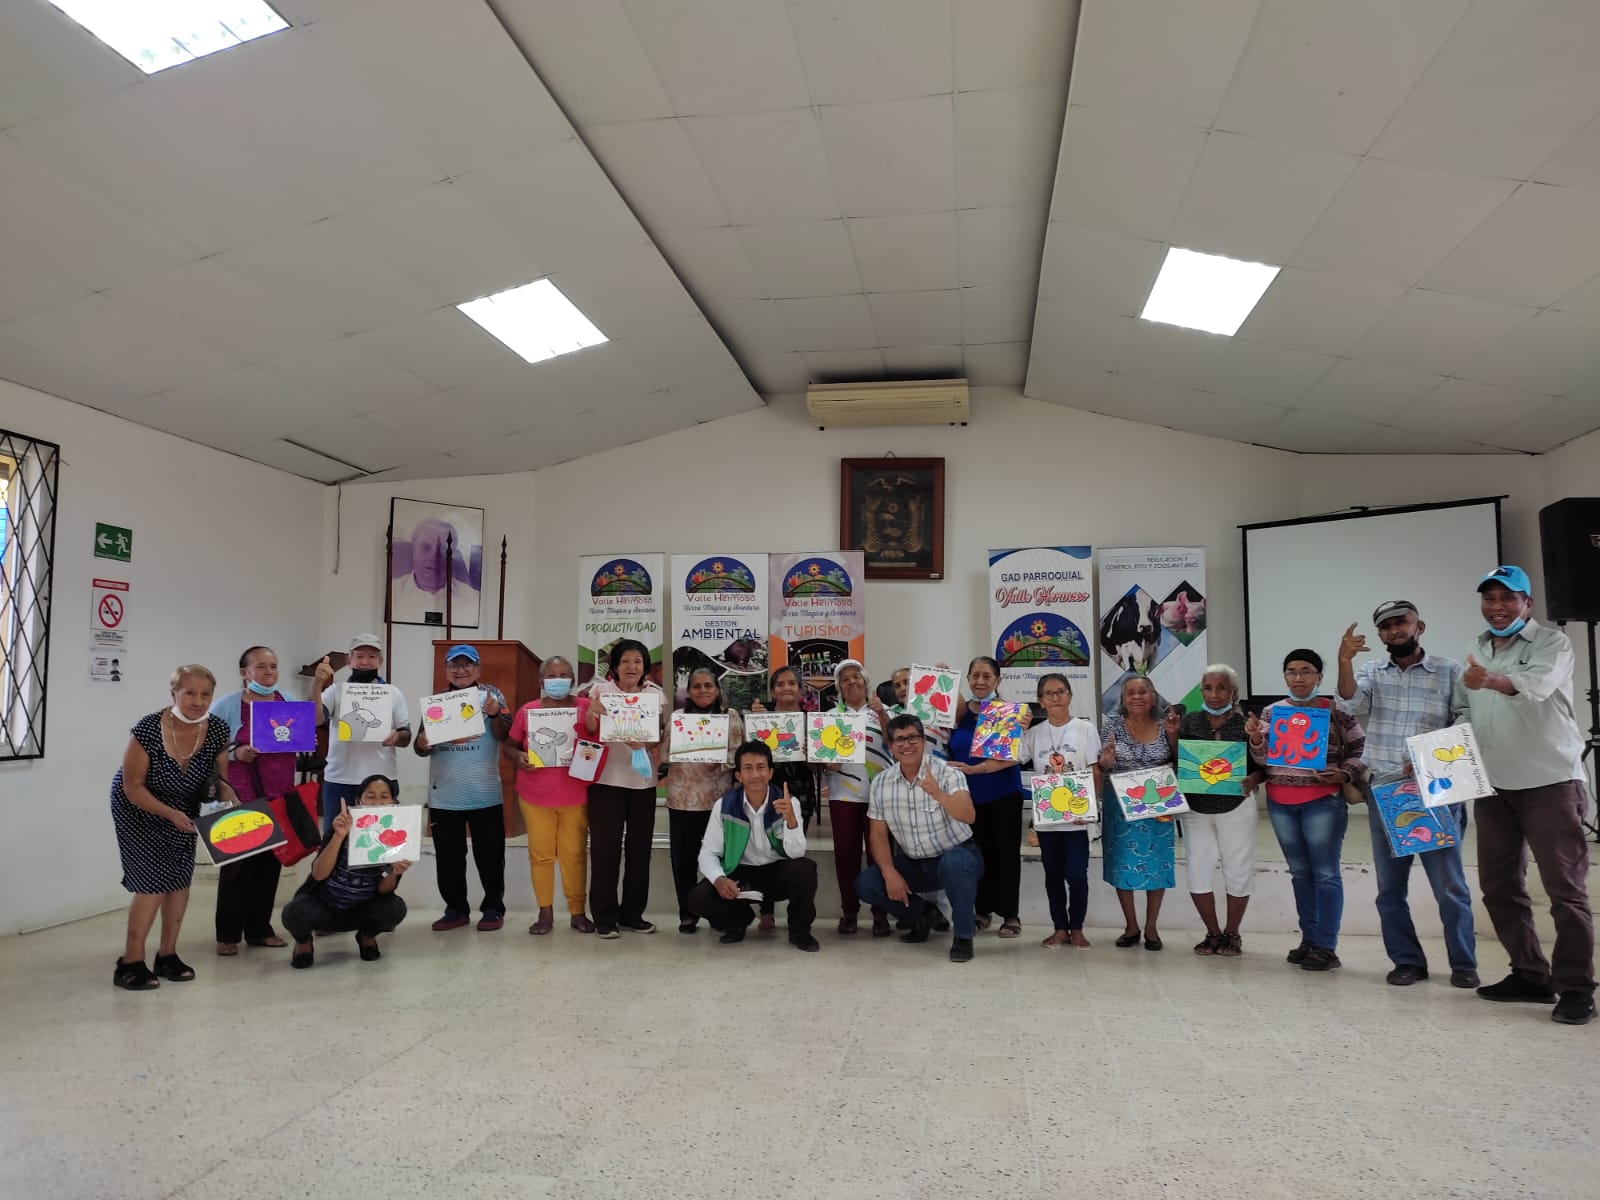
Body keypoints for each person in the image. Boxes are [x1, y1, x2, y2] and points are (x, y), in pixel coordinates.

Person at [1453, 565, 1594, 1026]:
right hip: (1494, 786)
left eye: (1507, 598)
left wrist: (1491, 680)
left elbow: (1536, 687)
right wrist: (1440, 750)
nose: (1496, 607)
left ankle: (1576, 987)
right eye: (1489, 598)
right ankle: (1531, 974)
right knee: (1499, 887)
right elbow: (1468, 710)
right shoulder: (1477, 647)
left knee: (1565, 891)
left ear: (1527, 603)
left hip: (1550, 782)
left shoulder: (1553, 643)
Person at [1336, 604, 1477, 988]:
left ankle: (1464, 964)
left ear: (1419, 626)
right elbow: (1350, 704)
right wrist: (1344, 660)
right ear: (1380, 635)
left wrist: (1430, 756)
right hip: (1385, 790)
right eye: (1386, 626)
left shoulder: (1449, 670)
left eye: (1402, 622)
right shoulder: (1372, 671)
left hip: (1435, 788)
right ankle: (1407, 961)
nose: (1395, 630)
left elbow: (1466, 717)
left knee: (1450, 887)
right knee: (1390, 889)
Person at [109, 665, 234, 990]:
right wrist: (168, 813)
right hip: (138, 806)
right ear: (173, 693)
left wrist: (232, 802)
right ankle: (130, 961)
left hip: (183, 807)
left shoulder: (218, 730)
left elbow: (219, 781)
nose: (198, 701)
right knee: (152, 881)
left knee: (179, 879)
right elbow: (132, 787)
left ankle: (167, 955)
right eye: (189, 693)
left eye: (205, 694)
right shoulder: (148, 729)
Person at [1247, 649, 1366, 973]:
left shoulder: (1336, 710)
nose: (1298, 678)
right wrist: (1256, 739)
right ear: (1285, 676)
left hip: (1322, 801)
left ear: (1319, 676)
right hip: (1280, 803)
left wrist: (1344, 773)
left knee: (1325, 873)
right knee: (1300, 873)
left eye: (1306, 671)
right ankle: (1310, 939)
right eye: (1292, 671)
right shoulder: (1272, 712)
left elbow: (1361, 747)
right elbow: (1263, 760)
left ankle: (1326, 946)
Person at [855, 713, 983, 962]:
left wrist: (939, 794)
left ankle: (963, 936)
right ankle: (924, 914)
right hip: (915, 863)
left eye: (913, 737)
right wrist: (889, 872)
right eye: (899, 739)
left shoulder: (947, 773)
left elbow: (969, 815)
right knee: (867, 883)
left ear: (924, 741)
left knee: (955, 863)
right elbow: (878, 835)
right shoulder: (881, 782)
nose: (907, 745)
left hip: (959, 856)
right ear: (890, 745)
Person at [686, 740, 819, 951]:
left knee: (805, 869)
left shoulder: (787, 803)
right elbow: (709, 852)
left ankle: (800, 932)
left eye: (761, 767)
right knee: (698, 898)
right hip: (741, 875)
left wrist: (792, 821)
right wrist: (719, 879)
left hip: (776, 874)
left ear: (770, 773)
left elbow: (797, 853)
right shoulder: (725, 805)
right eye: (748, 768)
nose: (755, 775)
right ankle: (737, 922)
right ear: (739, 775)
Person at [208, 645, 295, 957]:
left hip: (277, 792)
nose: (269, 672)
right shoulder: (226, 705)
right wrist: (236, 753)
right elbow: (207, 747)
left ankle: (260, 929)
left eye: (273, 666)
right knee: (237, 867)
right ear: (245, 672)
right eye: (261, 666)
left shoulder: (287, 701)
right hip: (238, 793)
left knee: (270, 865)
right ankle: (228, 934)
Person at [415, 645, 509, 933]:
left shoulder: (492, 696)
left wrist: (494, 715)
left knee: (491, 856)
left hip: (484, 792)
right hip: (445, 795)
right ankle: (455, 909)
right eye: (454, 665)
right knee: (449, 859)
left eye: (467, 664)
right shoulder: (436, 703)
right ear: (446, 670)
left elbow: (506, 734)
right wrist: (423, 742)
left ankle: (493, 908)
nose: (461, 670)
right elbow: (420, 746)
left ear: (478, 669)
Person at [583, 637, 667, 938]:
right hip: (606, 781)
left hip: (642, 782)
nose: (632, 666)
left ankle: (633, 914)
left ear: (645, 666)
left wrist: (642, 742)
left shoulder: (654, 694)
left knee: (639, 850)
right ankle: (605, 917)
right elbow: (591, 731)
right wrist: (592, 713)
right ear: (615, 667)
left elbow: (657, 736)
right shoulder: (600, 691)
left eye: (638, 661)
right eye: (626, 661)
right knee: (605, 850)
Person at [281, 776, 411, 968]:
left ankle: (366, 937)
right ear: (359, 801)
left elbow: (384, 890)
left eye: (384, 796)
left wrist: (393, 872)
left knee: (395, 908)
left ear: (393, 802)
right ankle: (303, 944)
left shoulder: (394, 836)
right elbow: (318, 875)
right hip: (325, 906)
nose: (377, 802)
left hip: (363, 910)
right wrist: (339, 836)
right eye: (371, 796)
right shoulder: (341, 827)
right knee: (293, 912)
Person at [507, 655, 594, 935]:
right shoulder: (528, 711)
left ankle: (578, 912)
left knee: (574, 855)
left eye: (564, 675)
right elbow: (509, 746)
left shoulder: (586, 707)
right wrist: (518, 756)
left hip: (577, 794)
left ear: (573, 680)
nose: (558, 680)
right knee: (541, 856)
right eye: (552, 676)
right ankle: (545, 913)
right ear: (541, 681)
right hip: (535, 795)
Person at [1177, 665, 1260, 958]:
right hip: (1196, 810)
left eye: (1221, 688)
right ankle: (1212, 932)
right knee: (1197, 872)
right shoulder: (1189, 721)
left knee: (1237, 871)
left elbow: (1263, 765)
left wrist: (1254, 779)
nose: (1214, 694)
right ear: (1201, 691)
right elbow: (1178, 761)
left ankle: (1232, 933)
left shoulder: (1246, 724)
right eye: (1208, 688)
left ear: (1233, 692)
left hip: (1236, 807)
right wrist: (1173, 735)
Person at [946, 656, 1029, 938]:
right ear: (968, 679)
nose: (980, 681)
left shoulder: (1008, 712)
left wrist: (976, 768)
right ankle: (981, 910)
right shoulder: (960, 713)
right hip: (969, 797)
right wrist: (941, 677)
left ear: (997, 680)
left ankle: (1010, 914)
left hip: (1003, 792)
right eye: (975, 676)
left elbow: (1013, 757)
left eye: (987, 676)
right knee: (977, 856)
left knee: (1006, 855)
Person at [1019, 673, 1100, 949]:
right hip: (1047, 820)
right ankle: (1060, 929)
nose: (1055, 697)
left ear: (1070, 695)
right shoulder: (1033, 734)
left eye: (1061, 691)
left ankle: (1077, 928)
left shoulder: (1085, 729)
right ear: (1040, 701)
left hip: (1077, 818)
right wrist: (1017, 729)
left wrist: (1090, 808)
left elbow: (1094, 770)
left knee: (1076, 875)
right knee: (1052, 876)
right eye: (1049, 693)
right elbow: (1014, 757)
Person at [1099, 675, 1180, 951]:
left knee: (1157, 863)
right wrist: (1105, 761)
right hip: (1120, 806)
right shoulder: (1112, 725)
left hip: (1158, 804)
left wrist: (1173, 735)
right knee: (1123, 863)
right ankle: (1131, 925)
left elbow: (1179, 760)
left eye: (1142, 692)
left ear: (1153, 696)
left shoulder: (1166, 724)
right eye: (1130, 693)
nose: (1137, 697)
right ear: (1123, 699)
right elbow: (1103, 763)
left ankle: (1152, 926)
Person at [666, 668, 744, 933]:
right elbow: (665, 753)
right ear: (688, 691)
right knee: (683, 861)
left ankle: (716, 912)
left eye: (708, 685)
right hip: (682, 801)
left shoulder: (730, 717)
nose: (703, 691)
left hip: (719, 802)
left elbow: (738, 756)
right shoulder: (678, 718)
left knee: (721, 860)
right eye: (697, 686)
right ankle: (687, 914)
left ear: (717, 689)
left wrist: (717, 759)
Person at [313, 635, 411, 836]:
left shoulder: (393, 693)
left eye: (372, 656)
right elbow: (315, 719)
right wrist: (317, 684)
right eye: (359, 656)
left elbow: (406, 735)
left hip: (382, 781)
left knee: (378, 841)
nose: (365, 662)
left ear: (380, 661)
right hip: (340, 779)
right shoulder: (335, 691)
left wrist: (397, 737)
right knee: (335, 840)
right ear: (349, 660)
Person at [822, 659, 892, 936]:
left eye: (856, 676)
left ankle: (881, 913)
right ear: (839, 687)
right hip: (843, 794)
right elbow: (821, 757)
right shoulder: (830, 717)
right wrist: (826, 763)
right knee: (846, 855)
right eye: (845, 679)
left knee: (880, 855)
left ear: (865, 681)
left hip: (880, 794)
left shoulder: (883, 711)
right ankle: (849, 912)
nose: (852, 681)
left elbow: (895, 744)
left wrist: (882, 714)